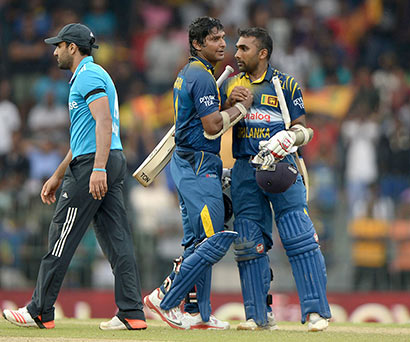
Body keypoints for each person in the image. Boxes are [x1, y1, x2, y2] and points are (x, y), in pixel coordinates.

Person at [2, 23, 147, 331]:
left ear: (72, 47)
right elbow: (85, 135)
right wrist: (57, 173)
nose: (54, 51)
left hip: (95, 163)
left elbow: (104, 122)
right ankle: (132, 311)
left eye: (58, 46)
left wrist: (96, 168)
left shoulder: (89, 76)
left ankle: (39, 309)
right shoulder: (88, 76)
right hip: (100, 159)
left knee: (61, 234)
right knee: (116, 238)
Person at [143, 16, 253, 330]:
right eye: (215, 39)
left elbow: (200, 114)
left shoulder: (194, 73)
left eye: (223, 38)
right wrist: (241, 109)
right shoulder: (201, 75)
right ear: (197, 44)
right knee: (212, 238)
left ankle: (197, 313)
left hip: (190, 161)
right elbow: (212, 125)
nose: (223, 44)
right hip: (198, 164)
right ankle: (164, 298)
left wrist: (225, 101)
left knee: (196, 241)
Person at [219, 27, 331, 332]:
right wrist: (227, 102)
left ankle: (316, 312)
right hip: (244, 169)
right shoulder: (230, 84)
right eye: (237, 48)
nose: (237, 54)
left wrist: (288, 138)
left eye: (244, 49)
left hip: (282, 167)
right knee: (247, 242)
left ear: (263, 53)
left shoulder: (286, 84)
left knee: (299, 237)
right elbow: (212, 123)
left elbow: (304, 130)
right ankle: (257, 316)